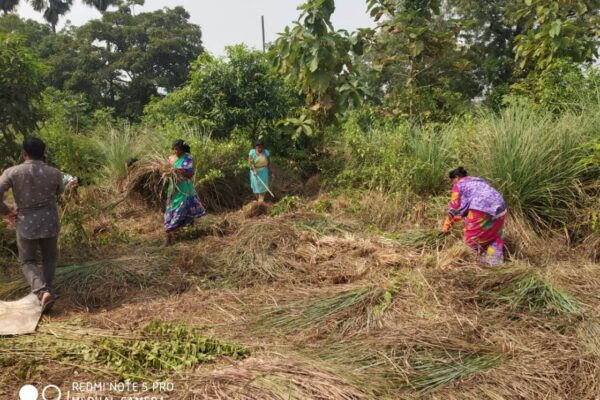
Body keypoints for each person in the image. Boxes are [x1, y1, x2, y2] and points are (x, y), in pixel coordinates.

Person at [0, 138, 64, 312]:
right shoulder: (55, 173)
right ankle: (47, 291)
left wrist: (6, 211)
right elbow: (60, 191)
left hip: (26, 223)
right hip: (50, 221)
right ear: (44, 154)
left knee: (28, 261)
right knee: (49, 258)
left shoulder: (12, 172)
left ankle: (42, 292)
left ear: (24, 154)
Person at [442, 167, 507, 265]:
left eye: (453, 181)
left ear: (456, 177)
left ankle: (470, 264)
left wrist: (447, 224)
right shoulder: (478, 181)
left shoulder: (459, 184)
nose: (453, 184)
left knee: (471, 238)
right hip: (501, 209)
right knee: (493, 235)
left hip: (481, 209)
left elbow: (454, 206)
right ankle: (494, 264)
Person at [164, 140, 206, 245]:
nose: (176, 151)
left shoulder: (187, 159)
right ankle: (174, 235)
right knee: (170, 210)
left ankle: (172, 236)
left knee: (181, 210)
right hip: (173, 188)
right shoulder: (170, 159)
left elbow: (189, 173)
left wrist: (177, 171)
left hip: (184, 189)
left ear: (183, 149)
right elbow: (164, 171)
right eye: (174, 149)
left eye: (178, 149)